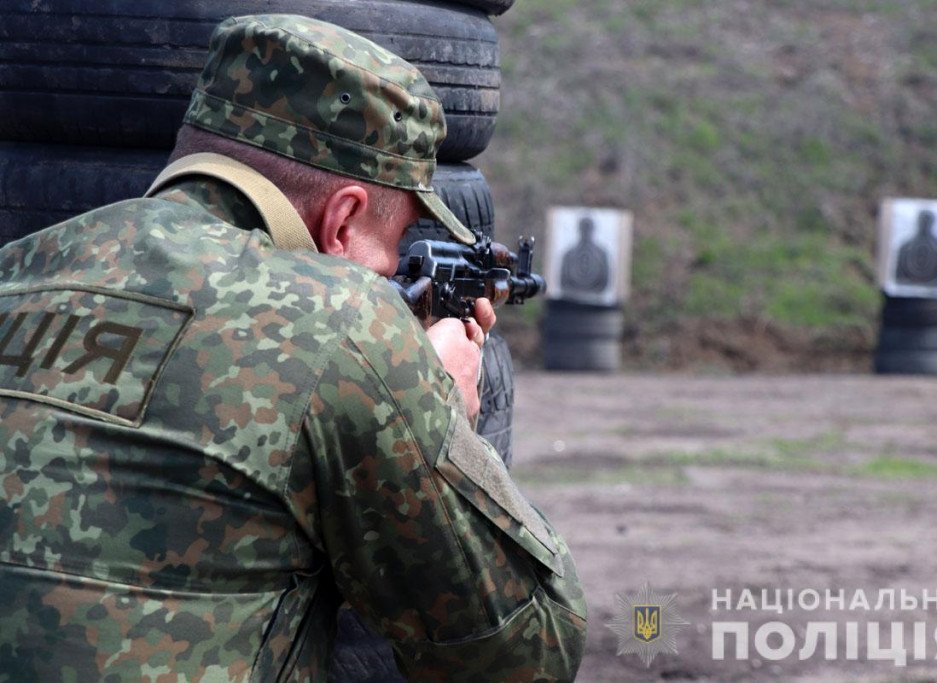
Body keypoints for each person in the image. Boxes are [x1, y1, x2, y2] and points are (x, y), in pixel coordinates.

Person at [0, 14, 586, 681]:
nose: (390, 269)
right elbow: (525, 650)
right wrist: (441, 415)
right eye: (393, 248)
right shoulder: (344, 320)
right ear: (340, 221)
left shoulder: (16, 267)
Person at [559, 216, 611, 299]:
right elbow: (564, 283)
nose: (586, 231)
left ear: (593, 229)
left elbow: (603, 283)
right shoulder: (568, 255)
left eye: (588, 228)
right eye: (583, 228)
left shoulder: (602, 254)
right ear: (579, 229)